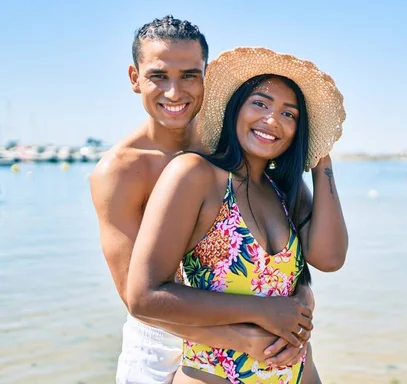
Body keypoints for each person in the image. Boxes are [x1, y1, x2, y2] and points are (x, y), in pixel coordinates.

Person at [90, 16, 317, 384]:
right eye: (159, 76)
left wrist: (300, 299)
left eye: (190, 75)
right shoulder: (120, 170)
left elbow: (285, 242)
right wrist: (244, 336)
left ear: (206, 77)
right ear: (135, 78)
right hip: (160, 344)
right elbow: (139, 297)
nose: (175, 92)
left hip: (251, 327)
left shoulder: (228, 148)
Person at [127, 47, 348, 383]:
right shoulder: (195, 175)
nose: (273, 120)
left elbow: (330, 259)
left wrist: (321, 159)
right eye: (260, 103)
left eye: (290, 115)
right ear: (235, 108)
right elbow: (144, 297)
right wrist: (262, 311)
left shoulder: (284, 190)